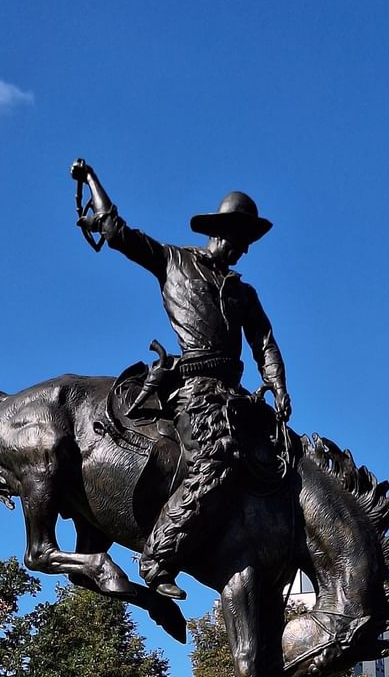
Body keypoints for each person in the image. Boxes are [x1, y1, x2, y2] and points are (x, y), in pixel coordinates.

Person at [71, 160, 292, 600]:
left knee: (279, 465)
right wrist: (92, 179)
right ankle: (159, 555)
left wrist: (279, 385)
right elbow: (116, 233)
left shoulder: (244, 293)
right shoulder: (174, 261)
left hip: (237, 398)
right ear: (224, 232)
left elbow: (264, 341)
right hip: (196, 392)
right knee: (214, 461)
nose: (245, 252)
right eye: (243, 241)